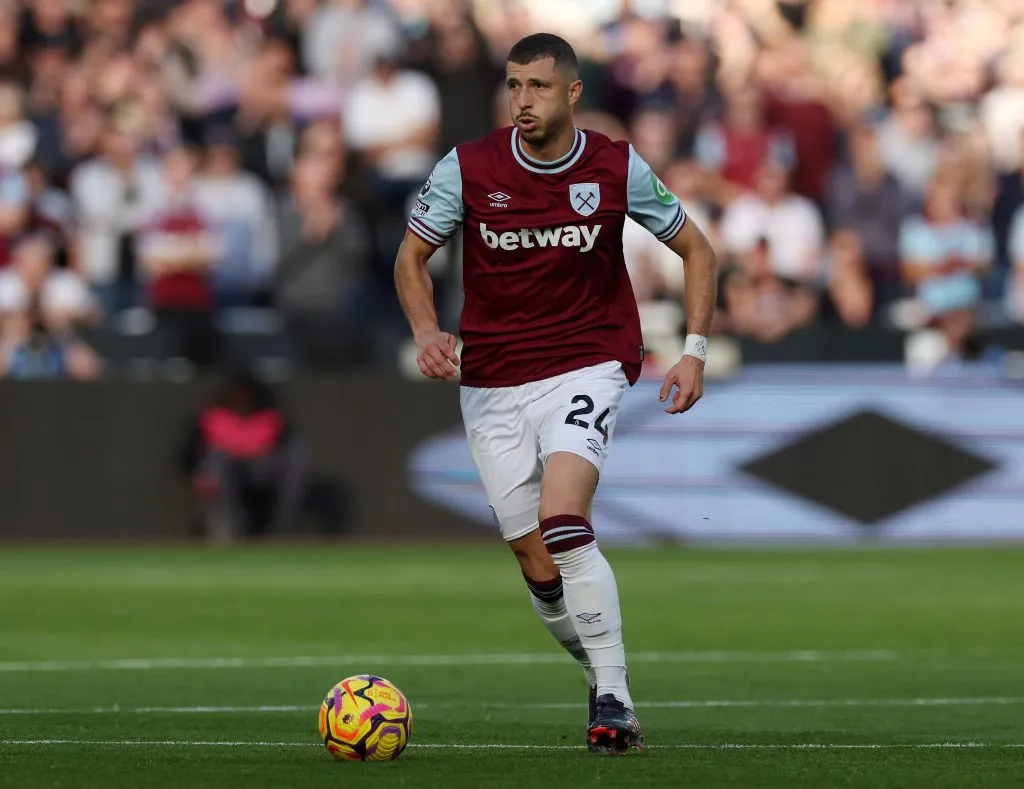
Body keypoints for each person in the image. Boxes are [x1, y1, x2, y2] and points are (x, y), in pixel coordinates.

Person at [393, 33, 717, 754]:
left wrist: (694, 351)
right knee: (539, 568)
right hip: (492, 380)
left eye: (537, 86)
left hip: (587, 361)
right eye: (513, 85)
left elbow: (697, 248)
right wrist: (425, 329)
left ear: (572, 93)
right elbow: (412, 255)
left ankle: (614, 699)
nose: (522, 100)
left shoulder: (615, 166)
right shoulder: (467, 167)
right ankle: (605, 677)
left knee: (564, 519)